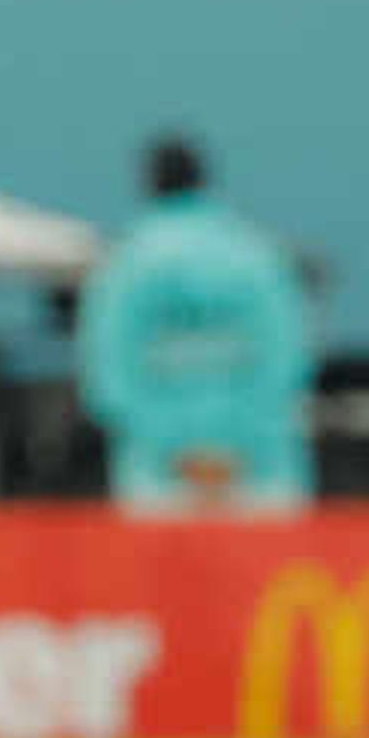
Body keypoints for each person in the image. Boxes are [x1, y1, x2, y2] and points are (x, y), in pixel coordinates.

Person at [79, 135, 314, 517]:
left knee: (158, 579)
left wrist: (175, 451)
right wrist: (234, 446)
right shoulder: (258, 257)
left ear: (149, 184)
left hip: (158, 476)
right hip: (258, 471)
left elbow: (110, 379)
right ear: (204, 180)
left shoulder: (122, 266)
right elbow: (287, 363)